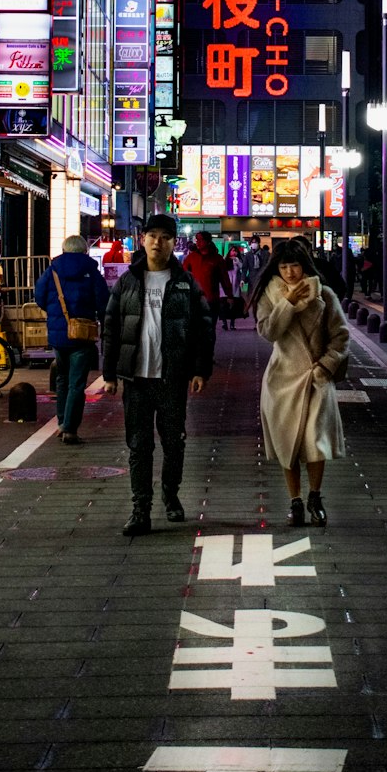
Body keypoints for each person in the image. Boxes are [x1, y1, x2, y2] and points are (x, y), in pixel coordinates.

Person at [103, 213, 214, 536]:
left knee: (173, 443)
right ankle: (140, 509)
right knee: (138, 445)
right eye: (152, 236)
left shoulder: (184, 282)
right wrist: (109, 373)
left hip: (172, 378)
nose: (157, 242)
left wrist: (200, 370)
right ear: (143, 240)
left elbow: (203, 330)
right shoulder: (127, 281)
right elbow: (110, 328)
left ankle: (171, 495)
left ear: (172, 243)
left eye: (165, 237)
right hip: (136, 380)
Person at [250, 238, 348, 528]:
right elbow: (268, 332)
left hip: (317, 377)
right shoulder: (270, 295)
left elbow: (341, 335)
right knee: (288, 443)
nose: (290, 272)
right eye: (284, 266)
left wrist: (326, 366)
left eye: (295, 265)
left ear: (304, 266)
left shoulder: (324, 294)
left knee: (316, 442)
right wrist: (288, 305)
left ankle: (315, 497)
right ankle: (295, 501)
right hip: (282, 378)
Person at [35, 235, 109, 445]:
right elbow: (103, 300)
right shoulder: (92, 272)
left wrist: (55, 313)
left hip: (59, 334)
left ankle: (61, 423)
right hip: (83, 334)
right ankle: (70, 429)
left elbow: (39, 296)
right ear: (85, 250)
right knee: (76, 383)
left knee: (62, 379)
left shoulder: (53, 270)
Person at [183, 230, 235, 332]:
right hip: (194, 301)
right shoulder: (191, 258)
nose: (197, 242)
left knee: (209, 330)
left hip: (211, 301)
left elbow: (225, 279)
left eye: (200, 240)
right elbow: (183, 276)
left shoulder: (217, 259)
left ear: (207, 241)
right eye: (196, 240)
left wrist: (230, 296)